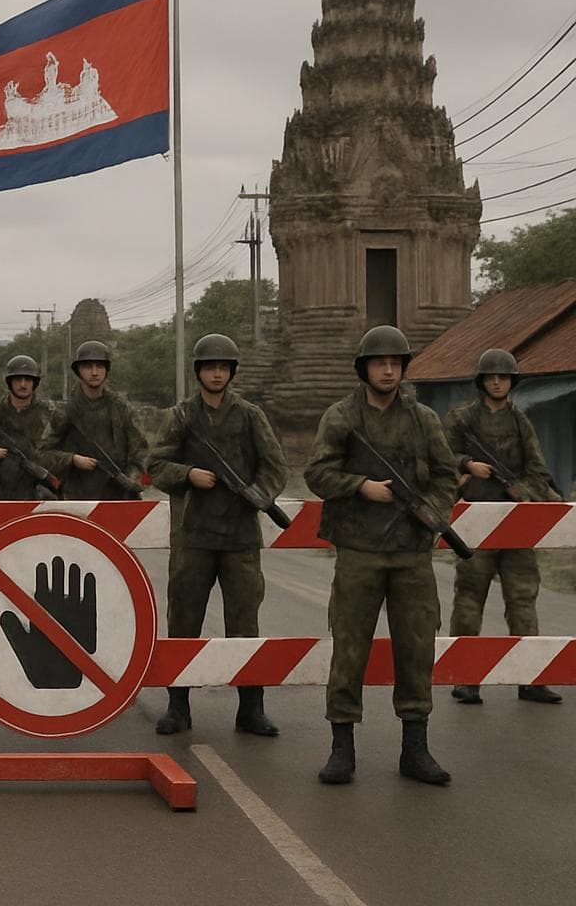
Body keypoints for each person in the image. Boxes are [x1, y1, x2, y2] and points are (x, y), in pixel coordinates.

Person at [305, 325, 457, 786]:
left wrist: (431, 512)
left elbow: (447, 476)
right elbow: (317, 473)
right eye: (379, 362)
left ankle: (415, 748)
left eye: (396, 362)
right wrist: (361, 487)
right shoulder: (341, 416)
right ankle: (342, 748)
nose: (388, 369)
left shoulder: (423, 419)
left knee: (417, 649)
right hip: (359, 551)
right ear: (364, 368)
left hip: (411, 553)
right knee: (349, 650)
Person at [146, 334, 288, 737]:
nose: (216, 372)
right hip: (193, 535)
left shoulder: (249, 415)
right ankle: (178, 706)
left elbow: (274, 466)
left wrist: (257, 495)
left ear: (231, 372)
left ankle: (251, 709)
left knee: (244, 623)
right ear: (198, 371)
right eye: (210, 366)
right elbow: (156, 464)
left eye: (223, 367)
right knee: (184, 621)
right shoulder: (182, 416)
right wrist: (187, 474)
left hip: (240, 536)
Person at [443, 349, 563, 706]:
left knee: (523, 598)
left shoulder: (520, 422)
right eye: (491, 376)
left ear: (512, 381)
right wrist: (467, 464)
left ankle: (531, 678)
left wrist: (520, 491)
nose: (497, 381)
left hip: (516, 522)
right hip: (477, 519)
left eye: (504, 376)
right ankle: (465, 678)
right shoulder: (461, 419)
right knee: (469, 598)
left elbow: (539, 471)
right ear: (482, 381)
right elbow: (438, 458)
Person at [43, 341, 147, 500]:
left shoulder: (122, 409)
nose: (94, 372)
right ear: (78, 371)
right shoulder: (65, 412)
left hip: (118, 496)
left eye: (99, 366)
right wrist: (72, 460)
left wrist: (134, 479)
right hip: (76, 496)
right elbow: (42, 454)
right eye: (87, 367)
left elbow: (140, 453)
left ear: (106, 370)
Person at [0, 355, 56, 500]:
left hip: (37, 491)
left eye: (28, 380)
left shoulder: (48, 414)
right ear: (10, 382)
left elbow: (64, 449)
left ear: (35, 383)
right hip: (0, 492)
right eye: (18, 380)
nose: (23, 384)